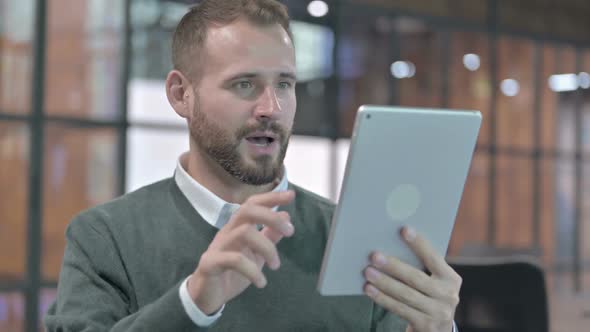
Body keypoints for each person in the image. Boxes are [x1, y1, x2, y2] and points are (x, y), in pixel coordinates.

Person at [44, 0, 461, 331]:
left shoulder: (350, 241)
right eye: (245, 84)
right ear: (179, 94)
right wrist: (193, 303)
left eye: (284, 84)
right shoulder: (104, 237)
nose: (271, 108)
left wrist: (437, 329)